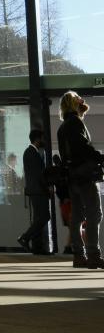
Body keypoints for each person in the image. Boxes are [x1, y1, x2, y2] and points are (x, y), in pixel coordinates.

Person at [56, 91, 104, 269]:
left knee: (76, 216)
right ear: (71, 102)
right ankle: (94, 255)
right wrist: (100, 157)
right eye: (77, 97)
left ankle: (79, 255)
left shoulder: (62, 127)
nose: (81, 98)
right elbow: (83, 147)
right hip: (84, 174)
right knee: (94, 213)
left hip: (72, 176)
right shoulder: (75, 122)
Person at [18, 129, 51, 255]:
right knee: (44, 216)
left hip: (36, 190)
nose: (43, 141)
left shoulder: (31, 152)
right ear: (37, 139)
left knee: (39, 218)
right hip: (38, 190)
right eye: (42, 138)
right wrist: (47, 187)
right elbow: (38, 174)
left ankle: (37, 247)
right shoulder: (31, 153)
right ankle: (25, 237)